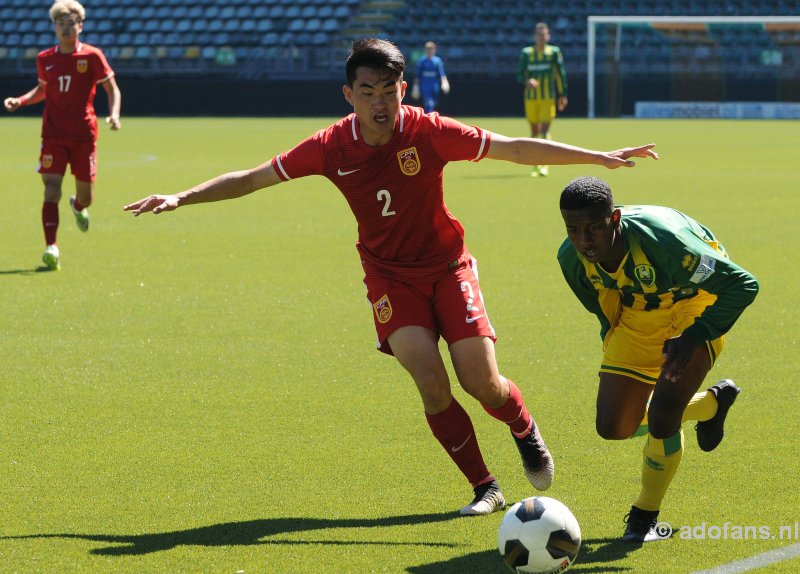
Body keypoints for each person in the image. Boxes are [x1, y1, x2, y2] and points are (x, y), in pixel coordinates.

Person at [124, 39, 657, 516]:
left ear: (403, 89)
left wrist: (597, 157)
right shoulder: (330, 146)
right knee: (429, 380)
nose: (380, 102)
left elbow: (513, 148)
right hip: (388, 278)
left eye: (389, 90)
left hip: (449, 269)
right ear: (348, 95)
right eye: (367, 91)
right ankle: (485, 486)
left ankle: (522, 428)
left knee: (482, 382)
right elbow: (253, 178)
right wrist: (182, 197)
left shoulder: (427, 130)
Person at [557, 176, 758, 542]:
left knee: (664, 413)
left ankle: (644, 516)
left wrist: (696, 335)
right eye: (573, 230)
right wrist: (613, 342)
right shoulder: (570, 259)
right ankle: (712, 405)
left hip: (694, 305)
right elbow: (602, 307)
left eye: (594, 229)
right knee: (614, 426)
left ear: (614, 220)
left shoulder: (664, 243)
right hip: (639, 315)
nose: (584, 242)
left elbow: (743, 284)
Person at [4, 0, 121, 271]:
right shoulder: (45, 58)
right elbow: (43, 90)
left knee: (86, 197)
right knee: (51, 188)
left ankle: (78, 207)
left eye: (71, 24)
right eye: (61, 24)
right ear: (54, 27)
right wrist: (20, 101)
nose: (66, 28)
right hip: (53, 135)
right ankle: (51, 247)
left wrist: (114, 114)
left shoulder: (92, 56)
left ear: (80, 26)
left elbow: (112, 89)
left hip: (84, 135)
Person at [517, 23, 567, 178]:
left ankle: (544, 165)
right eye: (538, 35)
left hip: (548, 97)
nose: (541, 37)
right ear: (535, 37)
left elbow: (561, 74)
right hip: (531, 98)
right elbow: (520, 75)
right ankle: (534, 164)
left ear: (548, 36)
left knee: (544, 131)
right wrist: (528, 81)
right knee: (534, 132)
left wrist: (562, 94)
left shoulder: (553, 52)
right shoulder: (526, 53)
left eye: (544, 34)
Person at [411, 41, 450, 113]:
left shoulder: (438, 61)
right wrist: (415, 86)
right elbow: (418, 75)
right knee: (429, 102)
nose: (430, 51)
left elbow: (441, 74)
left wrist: (445, 82)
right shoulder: (422, 61)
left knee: (434, 102)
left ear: (434, 50)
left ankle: (429, 116)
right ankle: (429, 118)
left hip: (435, 85)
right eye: (428, 49)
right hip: (425, 85)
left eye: (432, 49)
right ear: (425, 50)